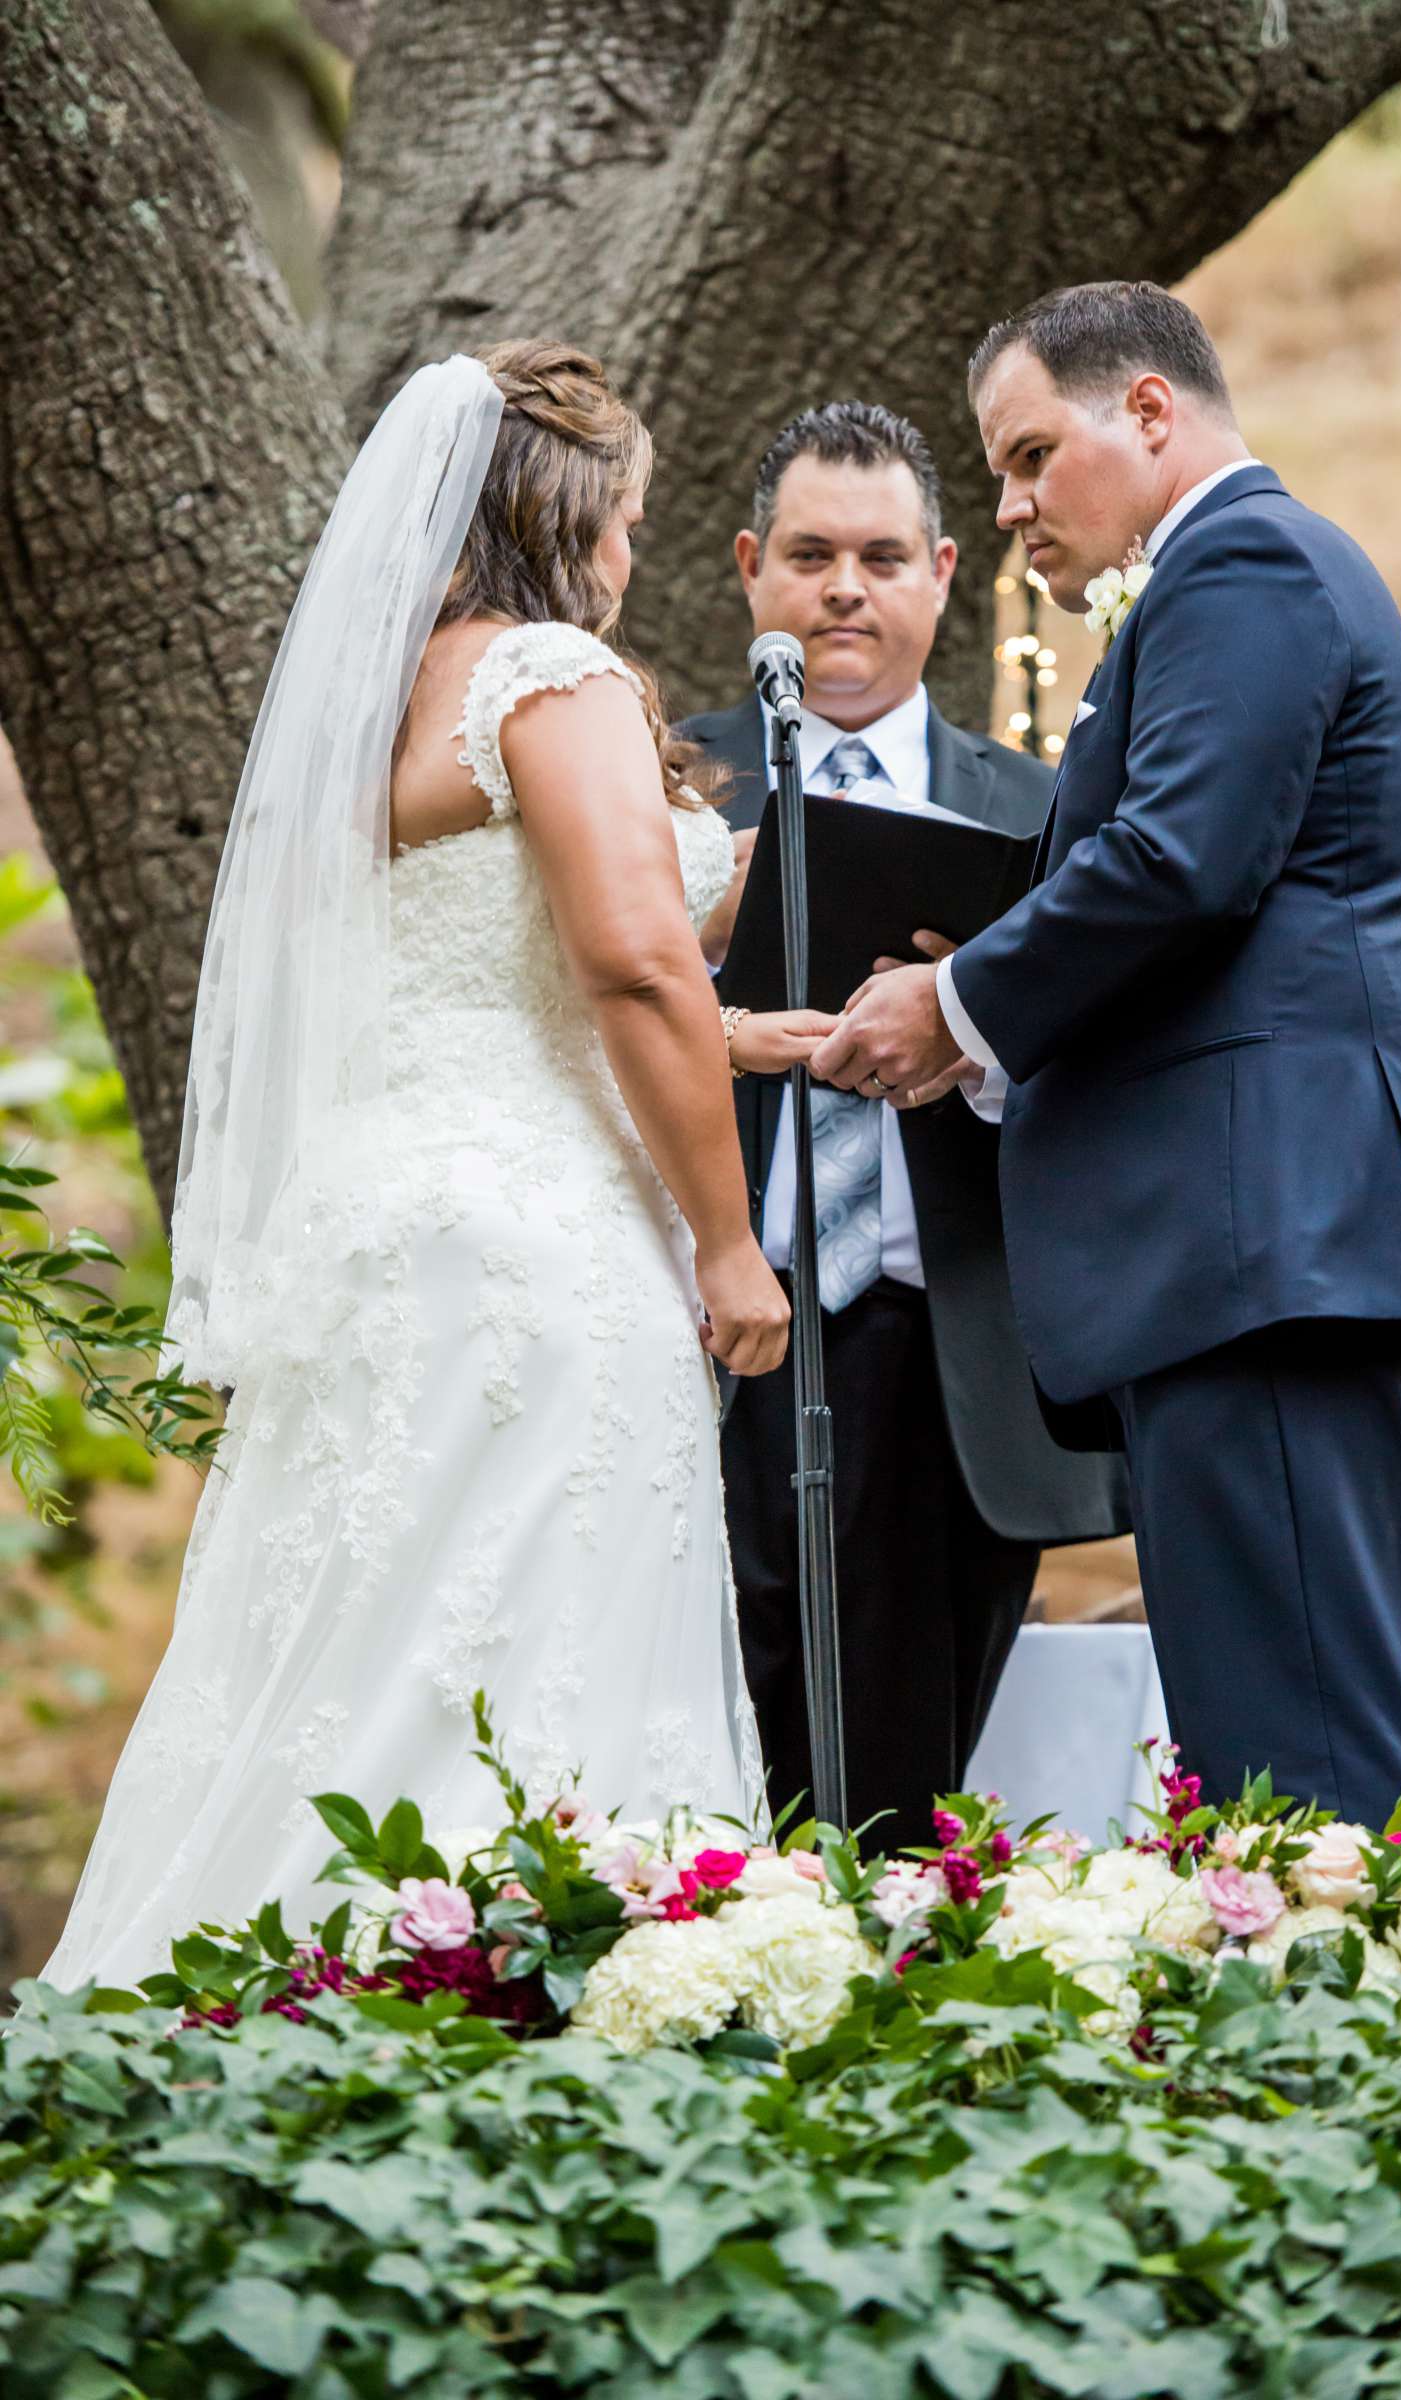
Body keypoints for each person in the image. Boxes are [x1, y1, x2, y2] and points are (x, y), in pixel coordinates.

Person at [42, 341, 831, 1992]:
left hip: (387, 1228)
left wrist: (735, 1016)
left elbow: (496, 962)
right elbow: (627, 965)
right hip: (542, 1233)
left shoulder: (378, 691)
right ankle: (537, 2023)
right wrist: (728, 1246)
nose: (633, 558)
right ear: (567, 512)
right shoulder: (550, 676)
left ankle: (261, 2000)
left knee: (350, 1640)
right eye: (627, 518)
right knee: (538, 1643)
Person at [811, 283, 1401, 1833]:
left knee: (1304, 1776)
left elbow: (1178, 859)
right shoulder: (1236, 578)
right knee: (1289, 1760)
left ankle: (1357, 2060)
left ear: (1145, 410)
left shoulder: (1245, 560)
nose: (1005, 511)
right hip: (1265, 1253)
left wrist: (954, 1011)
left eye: (1022, 457)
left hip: (1270, 1249)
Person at [684, 402, 1128, 1851]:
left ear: (944, 572)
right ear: (752, 567)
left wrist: (974, 1038)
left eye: (881, 556)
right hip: (720, 1335)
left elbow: (1104, 1071)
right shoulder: (653, 784)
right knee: (716, 1761)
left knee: (922, 1787)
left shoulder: (1046, 803)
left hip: (957, 1355)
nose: (842, 590)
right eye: (808, 554)